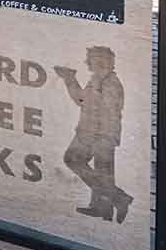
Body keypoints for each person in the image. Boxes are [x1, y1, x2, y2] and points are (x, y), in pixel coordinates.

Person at [55, 47, 131, 223]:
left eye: (90, 59)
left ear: (100, 62)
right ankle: (102, 208)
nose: (86, 62)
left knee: (76, 160)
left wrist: (97, 137)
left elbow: (106, 113)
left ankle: (118, 199)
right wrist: (69, 78)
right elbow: (82, 100)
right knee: (102, 171)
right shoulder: (97, 79)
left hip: (100, 134)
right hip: (93, 132)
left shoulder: (110, 83)